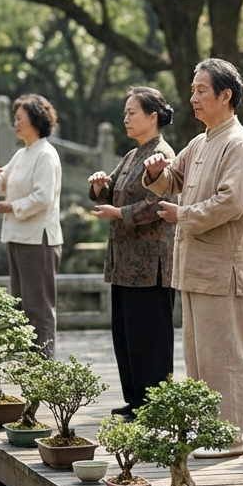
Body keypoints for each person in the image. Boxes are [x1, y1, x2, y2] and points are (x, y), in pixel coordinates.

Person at [142, 58, 243, 459]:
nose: (193, 98)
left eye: (201, 91)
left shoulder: (238, 143)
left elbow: (231, 202)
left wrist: (184, 215)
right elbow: (171, 180)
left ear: (225, 96)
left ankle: (230, 435)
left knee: (223, 355)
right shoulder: (201, 140)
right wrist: (157, 170)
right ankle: (207, 429)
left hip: (222, 267)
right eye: (192, 90)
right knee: (198, 356)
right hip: (193, 265)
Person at [88, 87, 177, 420]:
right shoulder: (132, 154)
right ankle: (136, 399)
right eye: (125, 113)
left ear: (153, 117)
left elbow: (159, 204)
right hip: (124, 263)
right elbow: (110, 189)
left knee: (150, 338)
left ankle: (154, 404)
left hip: (150, 264)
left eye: (132, 113)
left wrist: (119, 214)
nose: (126, 118)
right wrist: (99, 186)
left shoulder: (162, 154)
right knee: (127, 335)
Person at [0, 94, 64, 358]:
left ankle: (43, 363)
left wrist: (13, 207)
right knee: (21, 304)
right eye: (14, 119)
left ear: (35, 120)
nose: (15, 123)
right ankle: (27, 360)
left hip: (38, 239)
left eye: (19, 118)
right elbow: (2, 184)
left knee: (38, 306)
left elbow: (44, 197)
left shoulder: (45, 154)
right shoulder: (22, 154)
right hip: (18, 236)